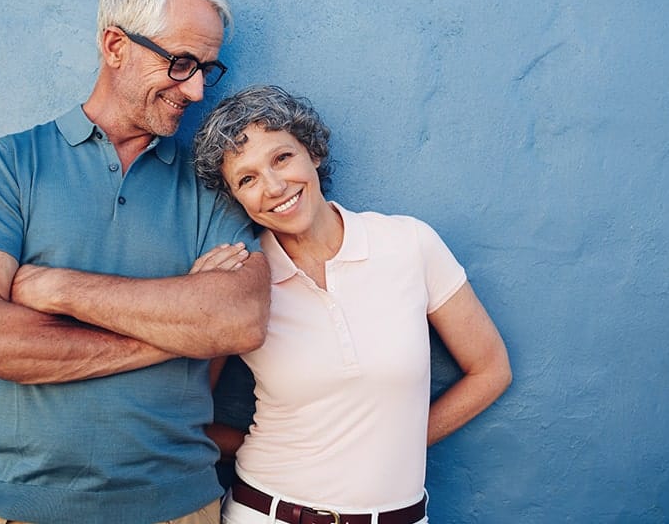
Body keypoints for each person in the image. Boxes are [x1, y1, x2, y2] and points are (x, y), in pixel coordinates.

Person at [0, 0, 271, 524]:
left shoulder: (213, 180)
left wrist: (57, 288)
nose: (194, 90)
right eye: (181, 62)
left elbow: (237, 320)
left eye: (206, 70)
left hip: (179, 509)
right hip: (23, 509)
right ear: (115, 45)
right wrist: (175, 332)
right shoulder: (13, 164)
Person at [192, 85, 512, 524]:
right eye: (247, 179)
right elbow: (185, 413)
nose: (275, 186)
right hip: (268, 512)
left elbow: (491, 369)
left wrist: (394, 444)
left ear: (313, 152)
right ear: (236, 198)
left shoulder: (409, 244)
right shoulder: (243, 279)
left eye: (282, 158)